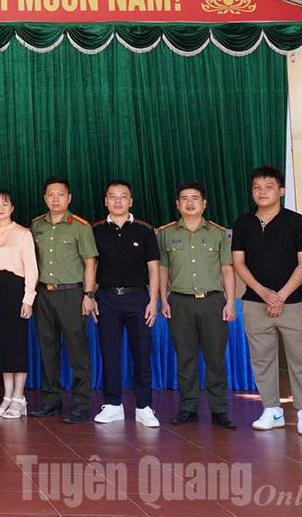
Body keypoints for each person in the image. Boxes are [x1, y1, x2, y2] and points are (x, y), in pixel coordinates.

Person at [231, 166, 302, 435]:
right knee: (262, 358)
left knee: (300, 358)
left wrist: (280, 295)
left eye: (268, 187)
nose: (262, 192)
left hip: (294, 302)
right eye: (257, 187)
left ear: (281, 191)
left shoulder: (298, 222)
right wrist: (264, 292)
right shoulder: (243, 223)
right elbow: (239, 264)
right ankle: (271, 409)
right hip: (256, 303)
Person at [158, 182, 237, 429]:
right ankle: (188, 407)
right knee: (186, 358)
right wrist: (163, 299)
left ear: (204, 203)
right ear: (177, 205)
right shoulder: (167, 233)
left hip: (213, 302)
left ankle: (219, 410)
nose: (190, 203)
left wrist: (231, 302)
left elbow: (227, 269)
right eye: (184, 198)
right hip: (179, 302)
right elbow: (163, 269)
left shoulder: (218, 233)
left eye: (195, 198)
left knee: (215, 359)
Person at [90, 181, 161, 428]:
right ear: (105, 201)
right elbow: (92, 266)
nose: (118, 201)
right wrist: (90, 296)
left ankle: (144, 406)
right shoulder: (96, 230)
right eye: (113, 197)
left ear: (130, 201)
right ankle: (112, 405)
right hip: (106, 299)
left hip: (138, 298)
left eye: (123, 197)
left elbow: (154, 268)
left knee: (142, 353)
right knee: (110, 353)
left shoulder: (144, 230)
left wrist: (153, 300)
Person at [28, 177, 97, 424]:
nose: (55, 199)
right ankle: (51, 402)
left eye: (60, 194)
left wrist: (88, 295)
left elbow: (90, 262)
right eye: (50, 195)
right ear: (45, 198)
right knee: (48, 349)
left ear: (69, 198)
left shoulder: (80, 226)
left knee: (78, 351)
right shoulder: (36, 226)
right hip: (44, 294)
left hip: (72, 294)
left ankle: (80, 405)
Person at [0, 190, 37, 420]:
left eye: (5, 203)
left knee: (17, 344)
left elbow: (31, 268)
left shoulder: (23, 234)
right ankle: (7, 395)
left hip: (16, 289)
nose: (0, 207)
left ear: (12, 208)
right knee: (2, 345)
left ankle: (19, 397)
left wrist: (28, 299)